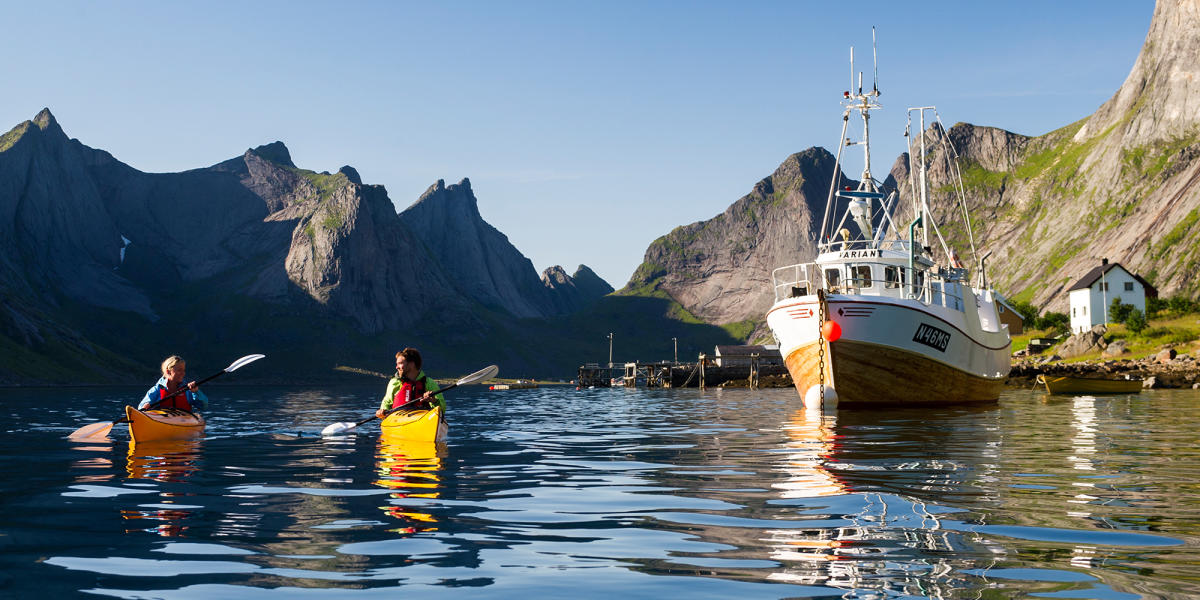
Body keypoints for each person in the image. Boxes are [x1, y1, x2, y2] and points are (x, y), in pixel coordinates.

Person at [376, 348, 444, 419]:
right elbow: (386, 403)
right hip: (398, 420)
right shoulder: (394, 382)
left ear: (412, 364)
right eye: (397, 364)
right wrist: (382, 412)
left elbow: (442, 410)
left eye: (400, 363)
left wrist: (434, 401)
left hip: (422, 419)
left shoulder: (429, 383)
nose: (397, 367)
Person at [138, 355, 208, 412]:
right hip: (163, 421)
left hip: (184, 421)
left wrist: (196, 392)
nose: (183, 373)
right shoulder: (156, 390)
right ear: (168, 372)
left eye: (183, 370)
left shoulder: (188, 390)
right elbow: (141, 407)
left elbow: (203, 406)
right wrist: (145, 406)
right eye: (179, 370)